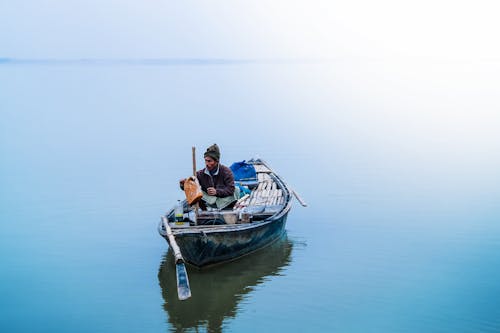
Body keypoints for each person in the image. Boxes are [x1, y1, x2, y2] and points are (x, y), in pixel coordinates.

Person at [180, 144, 239, 210]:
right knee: (198, 192)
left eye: (209, 161)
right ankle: (204, 213)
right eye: (205, 160)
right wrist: (183, 184)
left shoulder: (226, 172)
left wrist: (217, 192)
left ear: (217, 161)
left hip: (225, 202)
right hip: (209, 203)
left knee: (236, 190)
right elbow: (190, 187)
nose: (207, 164)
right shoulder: (200, 174)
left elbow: (231, 189)